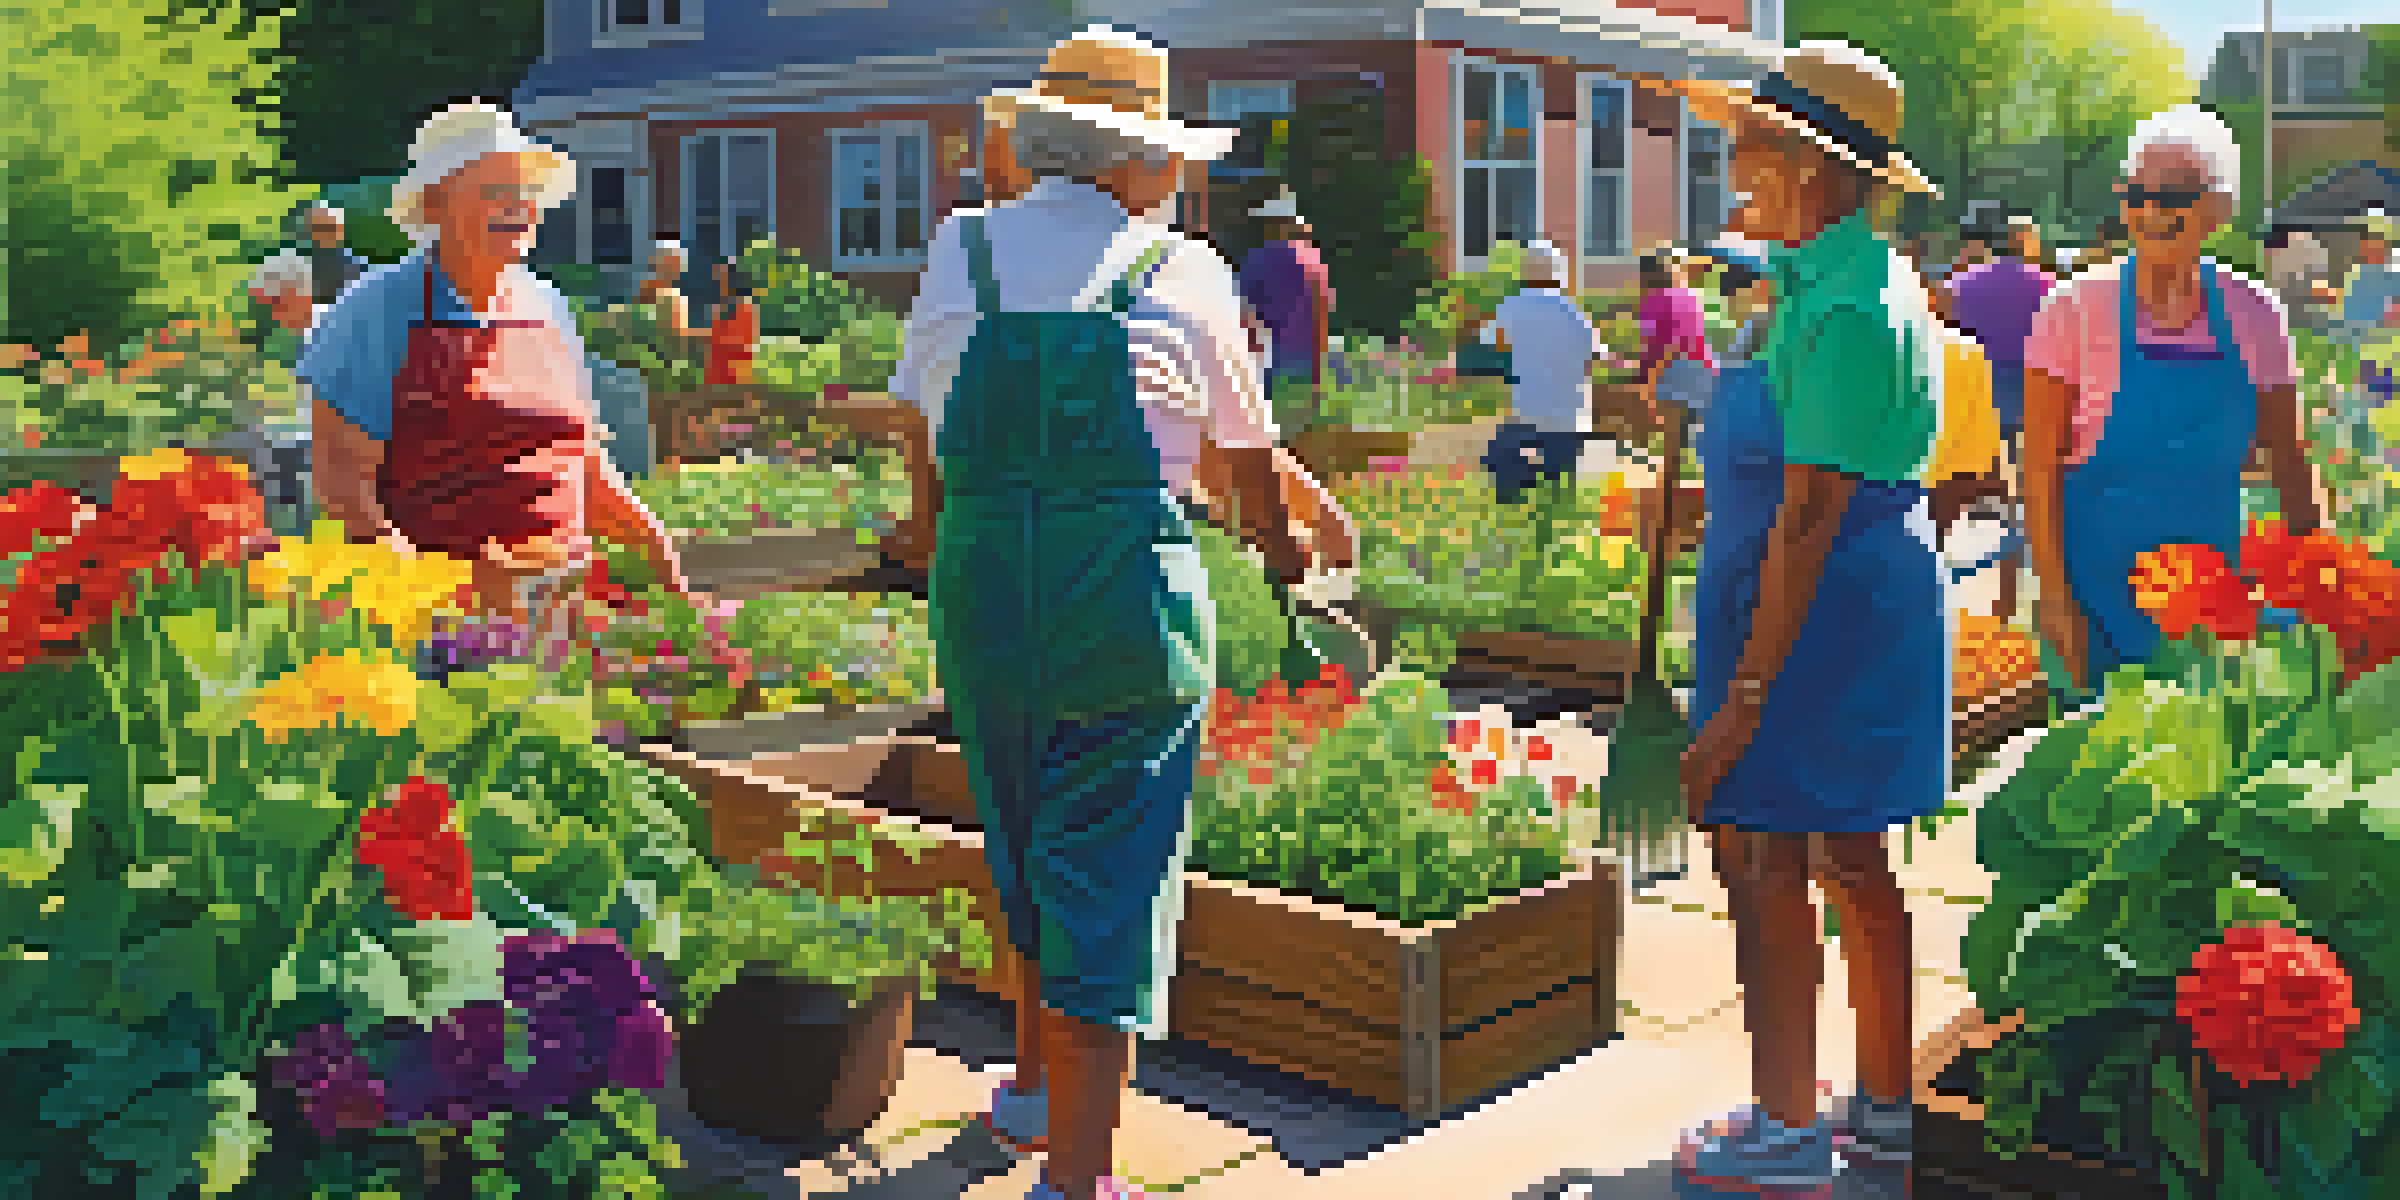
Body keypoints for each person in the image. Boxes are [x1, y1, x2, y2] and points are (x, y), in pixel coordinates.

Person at [878, 28, 1354, 1200]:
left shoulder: (963, 249)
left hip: (984, 590)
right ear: (1134, 161)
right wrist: (1297, 552)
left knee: (1023, 836)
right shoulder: (1178, 268)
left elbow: (923, 432)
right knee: (1115, 872)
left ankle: (1037, 1095)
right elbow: (1246, 472)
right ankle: (1080, 1179)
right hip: (1121, 597)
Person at [1668, 41, 1974, 1192]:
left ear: (1813, 165)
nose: (1735, 159)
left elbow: (1808, 518)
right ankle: (1884, 1108)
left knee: (1766, 859)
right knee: (1850, 856)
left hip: (1819, 616)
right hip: (1818, 596)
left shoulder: (1852, 305)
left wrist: (1743, 703)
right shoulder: (1814, 279)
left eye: (1754, 143)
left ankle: (1789, 1128)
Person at [298, 100, 690, 634]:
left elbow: (583, 458)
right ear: (435, 205)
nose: (515, 206)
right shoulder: (378, 307)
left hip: (563, 603)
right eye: (493, 190)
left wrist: (649, 538)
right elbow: (343, 483)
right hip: (446, 624)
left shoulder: (546, 304)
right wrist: (427, 599)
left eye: (524, 192)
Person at [2024, 105, 2322, 700]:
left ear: (2220, 207)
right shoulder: (2073, 309)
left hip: (2212, 616)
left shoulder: (2255, 314)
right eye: (2137, 195)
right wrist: (2055, 603)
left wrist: (2319, 587)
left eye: (2175, 196)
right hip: (2095, 605)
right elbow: (2036, 470)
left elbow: (2288, 459)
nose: (2152, 213)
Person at [1944, 209, 2059, 624]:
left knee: (1988, 496)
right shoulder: (2049, 285)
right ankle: (2019, 595)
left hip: (1980, 393)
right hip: (2035, 392)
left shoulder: (1962, 284)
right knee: (2032, 498)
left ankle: (1994, 599)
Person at [1475, 239, 1603, 504]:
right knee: (1561, 492)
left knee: (1501, 473)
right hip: (1571, 415)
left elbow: (1493, 344)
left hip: (1528, 410)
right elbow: (1594, 357)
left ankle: (1517, 518)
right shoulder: (1574, 311)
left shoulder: (1512, 307)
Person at [1236, 187, 1336, 430]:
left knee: (1268, 446)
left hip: (1268, 370)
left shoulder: (1258, 260)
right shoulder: (1315, 260)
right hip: (1306, 368)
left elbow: (1243, 317)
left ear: (1273, 224)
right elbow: (1323, 316)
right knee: (1299, 443)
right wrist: (1319, 374)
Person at [1637, 247, 1717, 434]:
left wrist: (1647, 382)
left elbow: (1656, 347)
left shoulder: (1652, 301)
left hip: (1675, 372)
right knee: (1696, 438)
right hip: (1706, 369)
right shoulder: (1689, 295)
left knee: (1673, 442)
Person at [2338, 211, 2399, 417]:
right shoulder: (2357, 279)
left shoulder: (2394, 277)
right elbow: (2349, 325)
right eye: (2371, 240)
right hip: (2368, 360)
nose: (2377, 247)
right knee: (2372, 408)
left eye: (2381, 241)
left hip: (2391, 357)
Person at [705, 256, 760, 388]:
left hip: (737, 368)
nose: (718, 280)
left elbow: (744, 339)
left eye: (721, 276)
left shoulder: (744, 305)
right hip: (721, 371)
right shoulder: (719, 305)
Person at [304, 204, 370, 307]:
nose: (323, 233)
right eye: (317, 228)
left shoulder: (357, 264)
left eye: (328, 227)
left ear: (340, 229)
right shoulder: (301, 262)